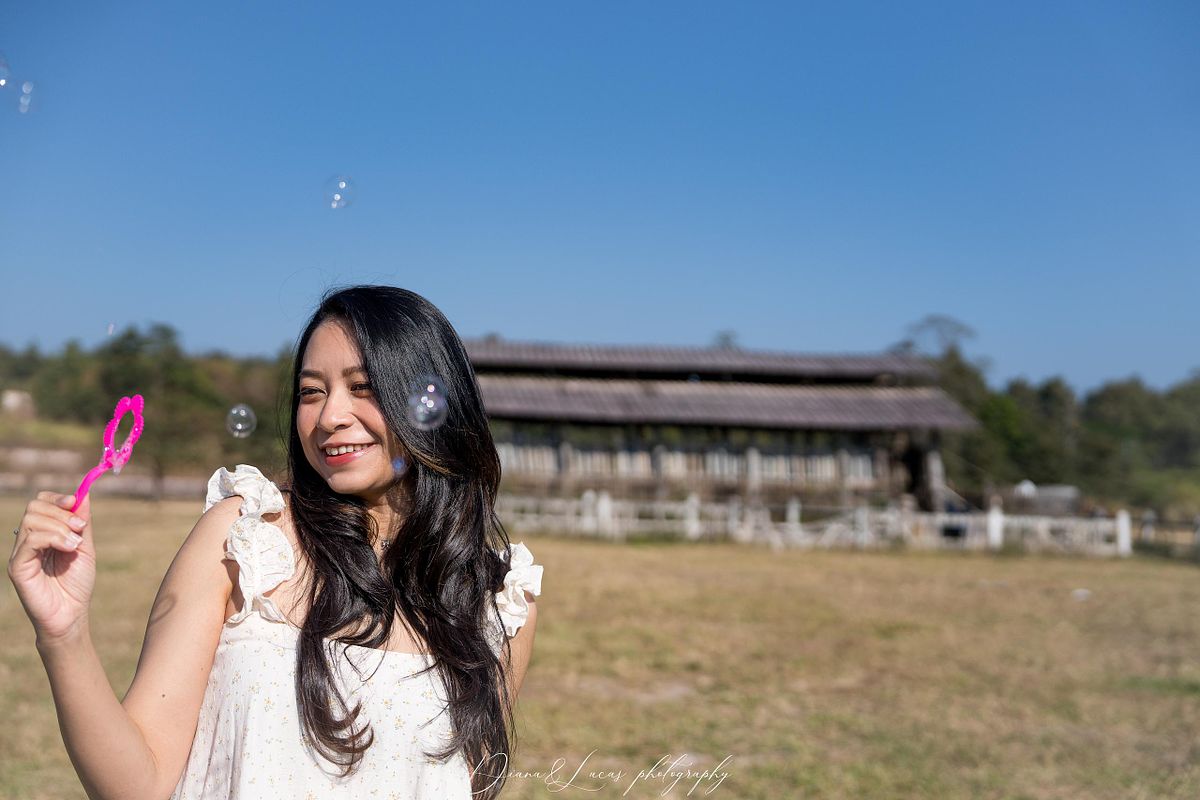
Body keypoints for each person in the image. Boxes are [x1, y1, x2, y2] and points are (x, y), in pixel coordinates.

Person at [8, 285, 543, 799]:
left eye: (363, 387)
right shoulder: (244, 540)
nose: (329, 417)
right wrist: (64, 634)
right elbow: (136, 786)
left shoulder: (500, 605)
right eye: (312, 392)